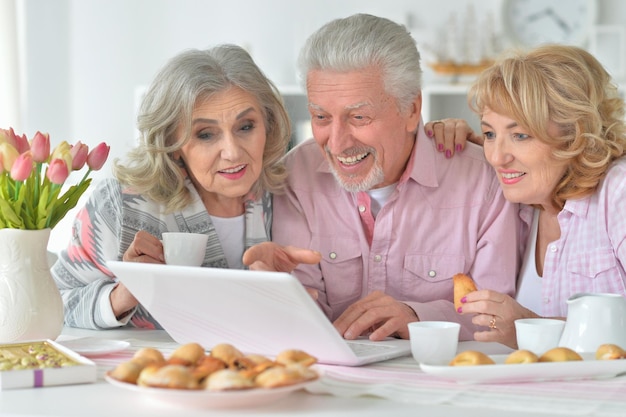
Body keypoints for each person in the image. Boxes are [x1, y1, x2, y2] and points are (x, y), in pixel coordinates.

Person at [260, 14, 521, 342]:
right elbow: (300, 312)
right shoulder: (296, 176)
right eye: (321, 117)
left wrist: (418, 318)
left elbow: (496, 322)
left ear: (411, 110)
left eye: (359, 117)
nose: (337, 142)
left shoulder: (484, 182)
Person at [52, 44, 302, 329]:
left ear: (268, 125)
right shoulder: (120, 206)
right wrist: (124, 295)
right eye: (206, 134)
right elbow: (52, 305)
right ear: (171, 144)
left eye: (246, 127)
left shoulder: (290, 195)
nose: (232, 152)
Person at [454, 44, 626, 348]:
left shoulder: (618, 193)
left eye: (520, 135)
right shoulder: (524, 205)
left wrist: (530, 330)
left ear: (575, 134)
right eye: (490, 134)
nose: (495, 157)